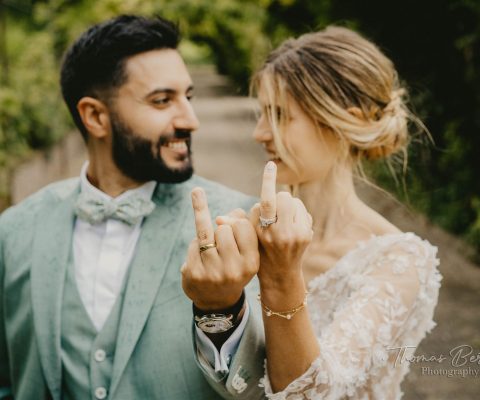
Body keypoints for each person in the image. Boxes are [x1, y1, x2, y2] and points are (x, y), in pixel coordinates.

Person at [0, 15, 266, 400]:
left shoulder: (236, 221)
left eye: (187, 97)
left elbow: (262, 386)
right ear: (95, 116)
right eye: (162, 100)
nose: (190, 120)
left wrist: (222, 310)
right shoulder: (13, 231)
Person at [233, 26, 442, 398]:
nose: (260, 133)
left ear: (342, 123)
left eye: (280, 115)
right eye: (262, 114)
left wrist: (281, 277)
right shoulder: (247, 225)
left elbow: (315, 393)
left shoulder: (399, 259)